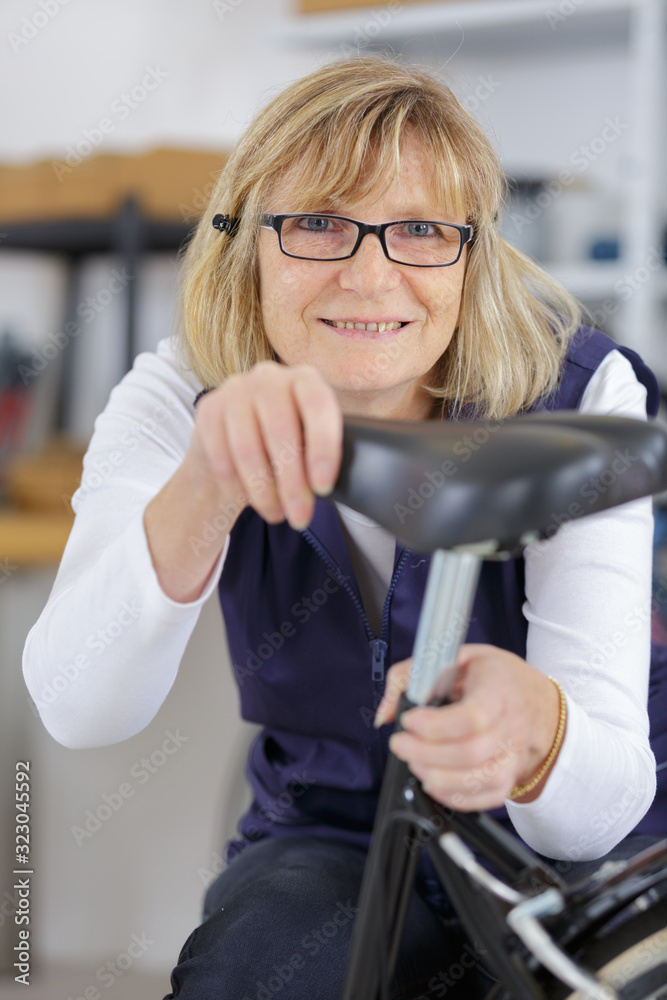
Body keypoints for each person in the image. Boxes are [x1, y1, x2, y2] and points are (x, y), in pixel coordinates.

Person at [22, 57, 666, 1000]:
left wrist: (535, 735)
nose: (370, 276)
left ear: (470, 253)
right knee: (250, 972)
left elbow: (588, 815)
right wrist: (208, 479)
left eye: (418, 230)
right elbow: (83, 706)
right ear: (247, 242)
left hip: (594, 829)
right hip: (326, 835)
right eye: (318, 223)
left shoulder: (584, 398)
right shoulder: (178, 393)